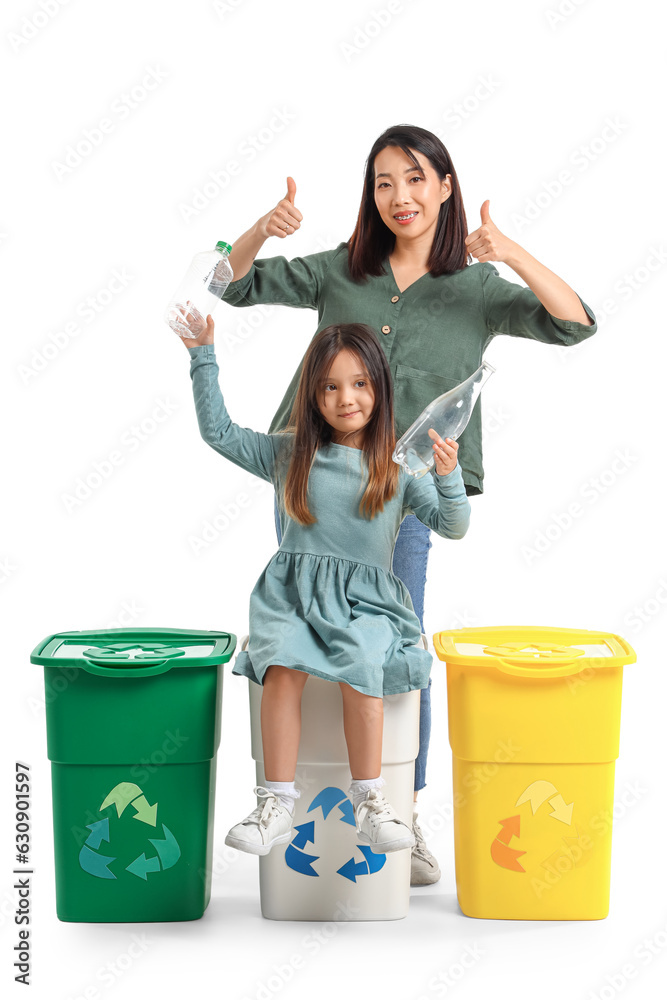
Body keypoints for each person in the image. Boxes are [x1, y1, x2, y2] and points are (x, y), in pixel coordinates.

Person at [218, 124, 597, 882]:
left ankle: (400, 807)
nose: (400, 196)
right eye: (384, 182)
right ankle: (284, 798)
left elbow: (575, 323)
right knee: (287, 638)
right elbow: (230, 284)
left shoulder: (478, 291)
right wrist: (263, 227)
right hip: (313, 482)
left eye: (416, 179)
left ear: (445, 188)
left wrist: (509, 250)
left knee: (398, 649)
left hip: (403, 498)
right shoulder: (340, 271)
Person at [182, 318, 471, 856]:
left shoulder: (399, 467)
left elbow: (453, 526)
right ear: (312, 395)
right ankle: (275, 803)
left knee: (364, 662)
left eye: (360, 383)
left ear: (379, 388)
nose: (346, 398)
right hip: (293, 598)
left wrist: (448, 475)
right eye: (330, 386)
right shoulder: (290, 454)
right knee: (281, 662)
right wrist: (203, 355)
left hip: (366, 606)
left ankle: (370, 800)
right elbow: (218, 432)